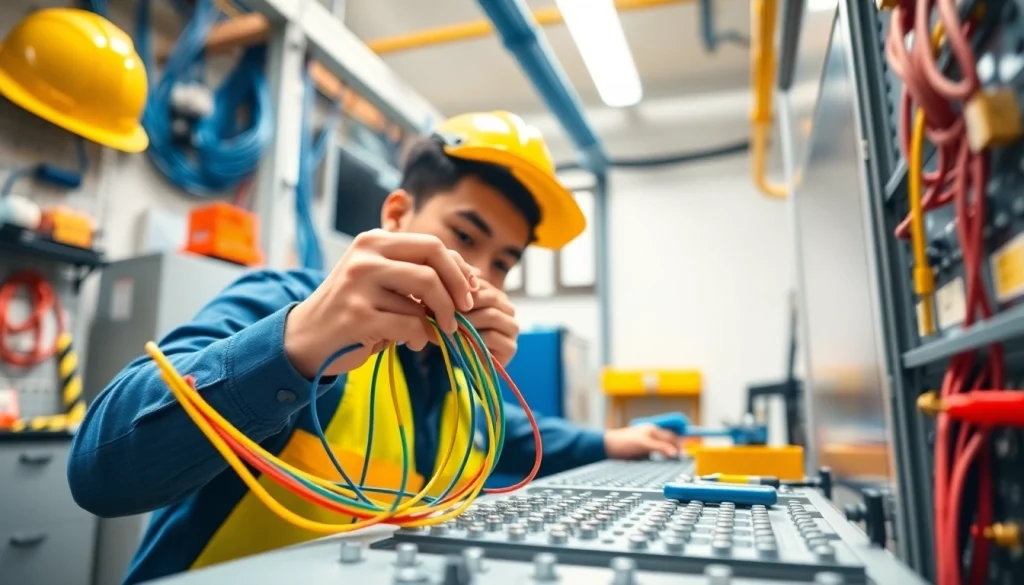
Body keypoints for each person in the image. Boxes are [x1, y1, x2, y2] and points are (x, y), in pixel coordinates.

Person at [67, 111, 683, 584]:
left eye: (502, 262)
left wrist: (609, 442)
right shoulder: (281, 300)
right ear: (396, 214)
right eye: (465, 236)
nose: (482, 275)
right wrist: (298, 346)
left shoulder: (448, 371)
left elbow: (516, 435)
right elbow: (100, 470)